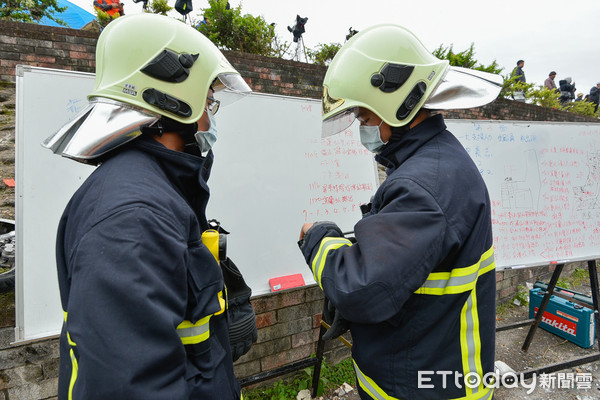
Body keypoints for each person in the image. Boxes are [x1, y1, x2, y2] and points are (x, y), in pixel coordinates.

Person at [43, 13, 251, 400]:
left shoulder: (150, 190)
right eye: (208, 102)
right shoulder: (134, 215)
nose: (209, 117)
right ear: (173, 102)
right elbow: (130, 386)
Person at [298, 24, 501, 400]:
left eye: (364, 116)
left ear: (396, 104)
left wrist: (317, 238)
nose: (363, 127)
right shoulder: (433, 163)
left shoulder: (425, 185)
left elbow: (362, 288)